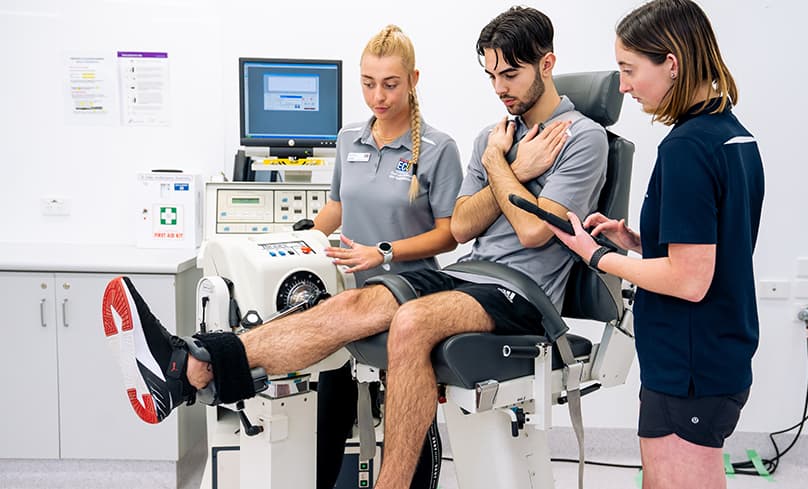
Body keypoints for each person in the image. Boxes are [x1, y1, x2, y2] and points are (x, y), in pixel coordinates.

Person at [101, 6, 607, 489]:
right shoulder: (492, 137)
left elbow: (534, 231)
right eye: (492, 76)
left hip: (524, 293)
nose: (500, 89)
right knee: (350, 304)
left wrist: (499, 166)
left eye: (511, 76)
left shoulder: (582, 138)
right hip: (468, 274)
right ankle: (189, 366)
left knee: (410, 322)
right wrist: (510, 162)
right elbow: (466, 226)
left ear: (548, 64)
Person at [548, 1, 764, 488]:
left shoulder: (687, 147)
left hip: (691, 361)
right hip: (713, 351)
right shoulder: (732, 137)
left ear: (671, 62)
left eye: (629, 70)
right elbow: (717, 246)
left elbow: (689, 280)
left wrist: (597, 255)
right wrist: (639, 240)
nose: (623, 85)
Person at [310, 25, 462, 489]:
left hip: (410, 295)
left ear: (413, 79)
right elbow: (337, 207)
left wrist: (384, 253)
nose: (378, 96)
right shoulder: (347, 137)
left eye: (390, 84)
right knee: (328, 403)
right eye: (368, 83)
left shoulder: (439, 149)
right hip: (350, 293)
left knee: (407, 413)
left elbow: (449, 234)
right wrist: (296, 241)